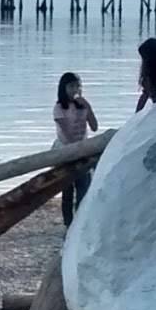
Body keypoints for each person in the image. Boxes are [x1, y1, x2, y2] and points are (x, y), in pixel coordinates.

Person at [52, 72, 99, 226]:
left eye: (77, 86)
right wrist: (77, 150)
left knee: (83, 188)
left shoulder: (82, 106)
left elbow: (94, 127)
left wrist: (89, 109)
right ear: (63, 88)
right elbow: (67, 133)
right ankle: (68, 223)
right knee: (67, 190)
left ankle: (80, 222)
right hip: (66, 149)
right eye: (71, 86)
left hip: (82, 148)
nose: (75, 89)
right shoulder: (59, 108)